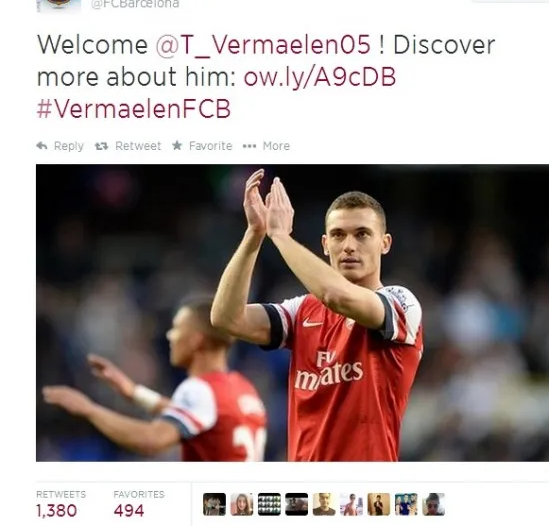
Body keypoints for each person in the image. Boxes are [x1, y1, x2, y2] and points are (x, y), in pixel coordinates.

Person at [211, 169, 424, 461]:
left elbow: (338, 296)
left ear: (384, 243)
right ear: (325, 245)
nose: (349, 246)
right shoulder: (302, 311)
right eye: (338, 235)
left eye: (362, 234)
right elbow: (226, 318)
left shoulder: (401, 303)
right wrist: (254, 235)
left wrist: (280, 236)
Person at [43, 295, 267, 461]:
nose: (170, 336)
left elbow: (150, 440)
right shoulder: (243, 388)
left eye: (177, 328)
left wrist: (89, 410)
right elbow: (200, 415)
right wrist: (134, 393)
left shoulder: (199, 389)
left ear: (196, 340)